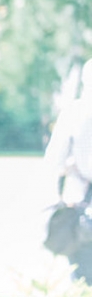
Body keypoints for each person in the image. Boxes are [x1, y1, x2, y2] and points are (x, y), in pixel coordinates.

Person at [45, 58, 92, 279]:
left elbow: (53, 160)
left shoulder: (75, 112)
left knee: (83, 277)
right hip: (81, 206)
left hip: (80, 206)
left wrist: (72, 167)